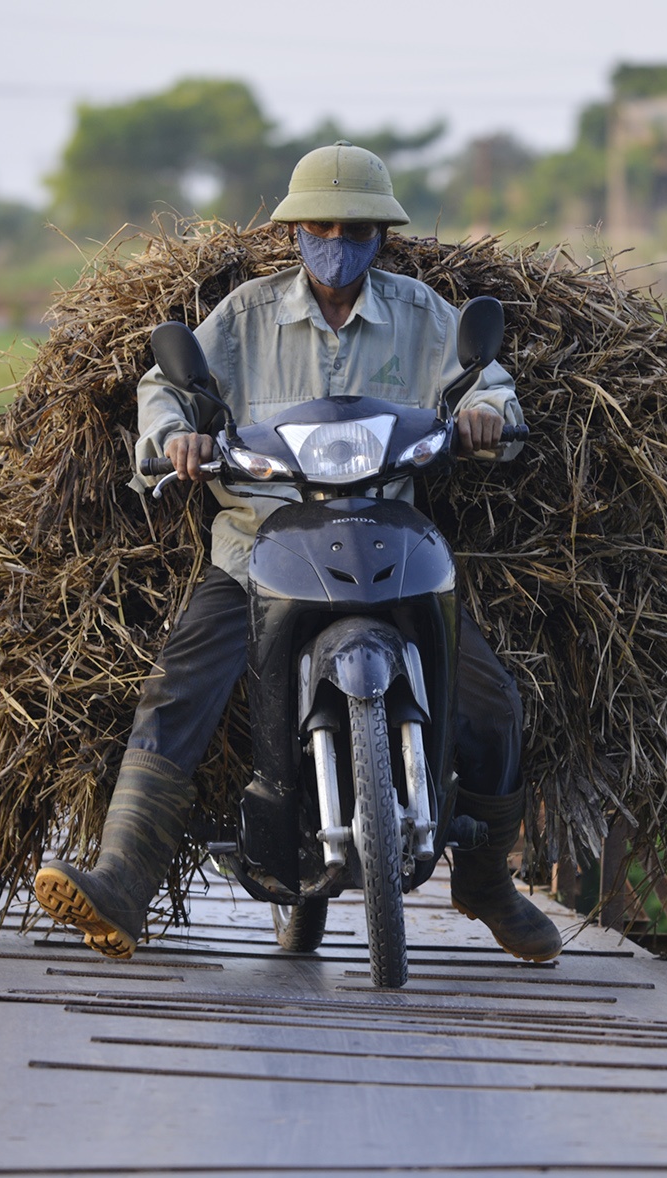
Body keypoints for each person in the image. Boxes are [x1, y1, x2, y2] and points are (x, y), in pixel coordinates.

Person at [34, 142, 562, 964]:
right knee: (180, 685)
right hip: (258, 546)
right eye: (322, 227)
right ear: (294, 232)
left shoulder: (423, 315)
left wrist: (487, 416)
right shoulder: (244, 317)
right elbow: (166, 388)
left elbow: (484, 381)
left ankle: (488, 880)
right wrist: (174, 438)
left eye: (356, 228)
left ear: (382, 236)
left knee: (490, 699)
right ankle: (123, 880)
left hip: (390, 541)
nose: (337, 243)